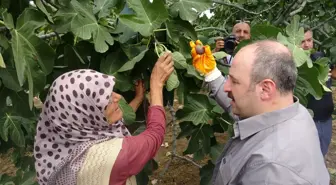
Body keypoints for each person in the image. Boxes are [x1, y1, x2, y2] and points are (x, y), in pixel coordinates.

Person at [190, 39, 329, 184]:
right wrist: (211, 73)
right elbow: (247, 105)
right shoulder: (295, 112)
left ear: (265, 89)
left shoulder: (270, 173)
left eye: (235, 81)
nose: (226, 87)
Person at [33, 52, 174, 185]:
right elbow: (155, 134)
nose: (118, 98)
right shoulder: (111, 158)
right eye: (105, 101)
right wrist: (157, 84)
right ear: (87, 115)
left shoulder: (63, 146)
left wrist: (138, 99)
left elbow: (111, 125)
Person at [301, 28, 335, 157]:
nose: (307, 45)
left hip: (326, 120)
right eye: (302, 41)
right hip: (309, 122)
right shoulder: (293, 66)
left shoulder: (319, 57)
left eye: (309, 40)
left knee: (322, 155)